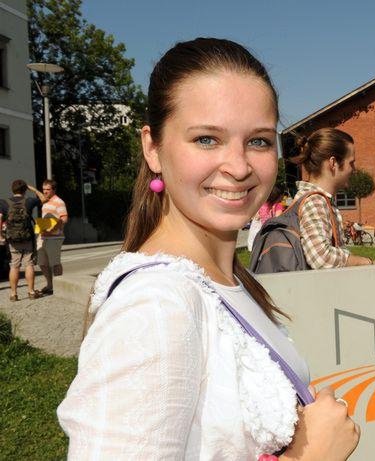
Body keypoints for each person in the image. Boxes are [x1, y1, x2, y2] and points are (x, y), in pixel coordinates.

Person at [57, 38, 359, 460]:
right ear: (153, 148)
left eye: (257, 141)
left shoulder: (222, 280)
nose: (238, 167)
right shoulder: (155, 307)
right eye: (205, 139)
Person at [289, 127, 375, 268]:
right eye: (351, 163)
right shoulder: (315, 201)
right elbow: (321, 257)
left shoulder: (314, 198)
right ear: (333, 163)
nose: (353, 169)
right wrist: (366, 262)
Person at [0, 179, 47, 301]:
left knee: (14, 266)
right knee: (29, 264)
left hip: (13, 239)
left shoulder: (4, 202)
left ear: (12, 189)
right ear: (25, 190)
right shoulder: (29, 201)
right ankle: (31, 292)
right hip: (27, 238)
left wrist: (0, 236)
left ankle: (13, 294)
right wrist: (34, 189)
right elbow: (44, 199)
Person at [37, 179, 68, 294]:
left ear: (54, 190)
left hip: (55, 237)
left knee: (55, 263)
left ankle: (59, 287)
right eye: (43, 189)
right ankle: (50, 285)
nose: (45, 192)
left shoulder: (59, 202)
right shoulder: (45, 202)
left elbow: (64, 218)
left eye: (48, 189)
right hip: (43, 236)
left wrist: (53, 228)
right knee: (42, 263)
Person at [247, 184, 286, 251]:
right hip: (271, 234)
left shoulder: (262, 204)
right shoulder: (278, 205)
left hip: (260, 233)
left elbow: (256, 216)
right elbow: (278, 219)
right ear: (280, 196)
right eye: (283, 194)